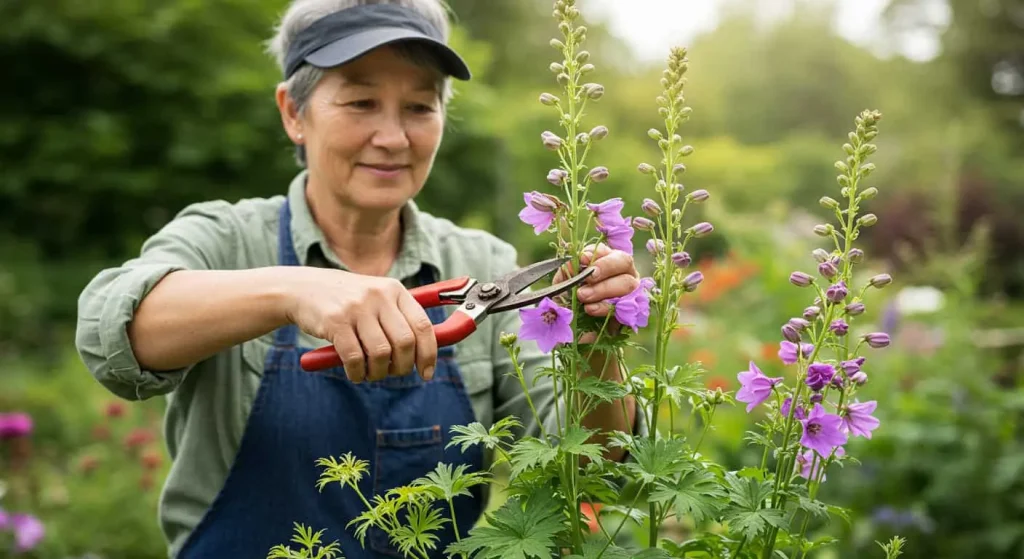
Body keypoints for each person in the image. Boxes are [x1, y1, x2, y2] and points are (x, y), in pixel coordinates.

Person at [74, 0, 642, 557]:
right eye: (361, 101)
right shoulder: (224, 239)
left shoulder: (484, 262)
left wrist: (596, 343)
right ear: (293, 113)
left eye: (420, 107)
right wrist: (292, 290)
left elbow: (588, 461)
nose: (393, 137)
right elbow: (112, 334)